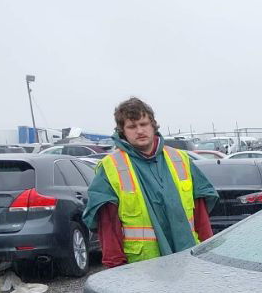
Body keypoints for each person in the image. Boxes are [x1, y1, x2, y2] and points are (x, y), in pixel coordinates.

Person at [83, 97, 217, 268]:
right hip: (143, 265)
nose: (139, 130)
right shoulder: (111, 167)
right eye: (132, 126)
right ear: (122, 131)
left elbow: (201, 215)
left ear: (153, 125)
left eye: (143, 124)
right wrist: (116, 269)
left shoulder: (180, 159)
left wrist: (208, 254)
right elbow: (108, 224)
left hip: (187, 258)